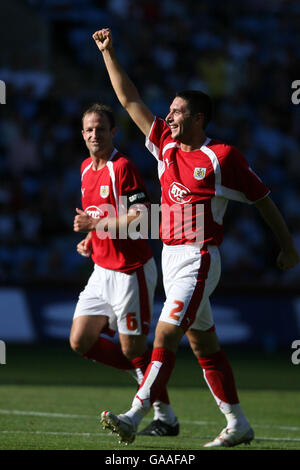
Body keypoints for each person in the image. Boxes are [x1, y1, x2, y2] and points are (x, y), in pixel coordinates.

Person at [92, 29, 300, 448]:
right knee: (203, 342)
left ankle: (135, 413)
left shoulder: (221, 157)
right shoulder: (165, 146)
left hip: (199, 258)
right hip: (170, 258)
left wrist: (288, 246)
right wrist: (109, 53)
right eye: (169, 110)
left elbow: (263, 201)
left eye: (177, 111)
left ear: (198, 117)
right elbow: (129, 99)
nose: (168, 116)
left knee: (165, 335)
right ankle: (237, 422)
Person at [70, 103, 179, 439]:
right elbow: (99, 213)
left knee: (133, 350)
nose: (93, 135)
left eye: (100, 128)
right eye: (88, 129)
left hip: (131, 271)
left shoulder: (123, 167)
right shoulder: (86, 169)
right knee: (81, 340)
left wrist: (95, 223)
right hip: (102, 270)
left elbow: (141, 217)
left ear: (113, 132)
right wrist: (91, 236)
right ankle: (148, 378)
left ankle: (165, 416)